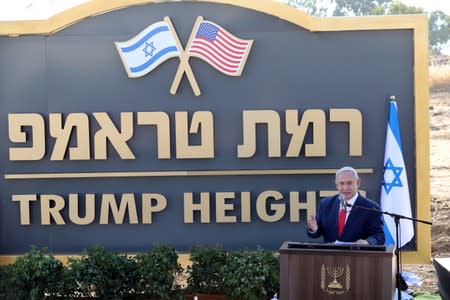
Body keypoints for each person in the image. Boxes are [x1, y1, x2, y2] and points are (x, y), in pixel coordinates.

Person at [307, 166, 385, 245]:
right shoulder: (326, 204)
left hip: (357, 255)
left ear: (358, 183)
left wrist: (367, 242)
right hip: (329, 255)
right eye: (342, 183)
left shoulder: (372, 208)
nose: (345, 187)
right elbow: (317, 233)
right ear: (337, 185)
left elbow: (379, 236)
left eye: (349, 183)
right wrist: (314, 229)